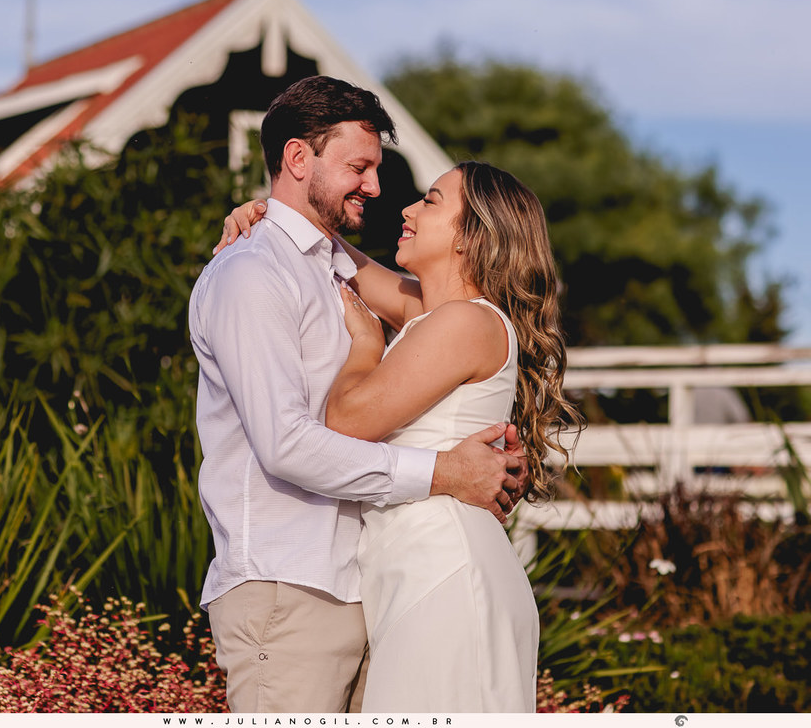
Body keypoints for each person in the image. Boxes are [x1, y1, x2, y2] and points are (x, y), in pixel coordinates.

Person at [188, 76, 529, 714]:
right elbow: (288, 444)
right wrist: (447, 471)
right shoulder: (252, 272)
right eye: (358, 167)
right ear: (298, 158)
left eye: (377, 170)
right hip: (290, 584)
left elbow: (412, 319)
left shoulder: (373, 287)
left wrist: (286, 217)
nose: (378, 188)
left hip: (372, 583)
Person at [217, 160, 582, 711]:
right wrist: (272, 216)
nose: (408, 208)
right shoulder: (434, 313)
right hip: (412, 568)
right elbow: (341, 257)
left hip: (442, 570)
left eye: (431, 201)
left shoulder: (465, 323)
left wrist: (366, 346)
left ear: (470, 236)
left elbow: (346, 421)